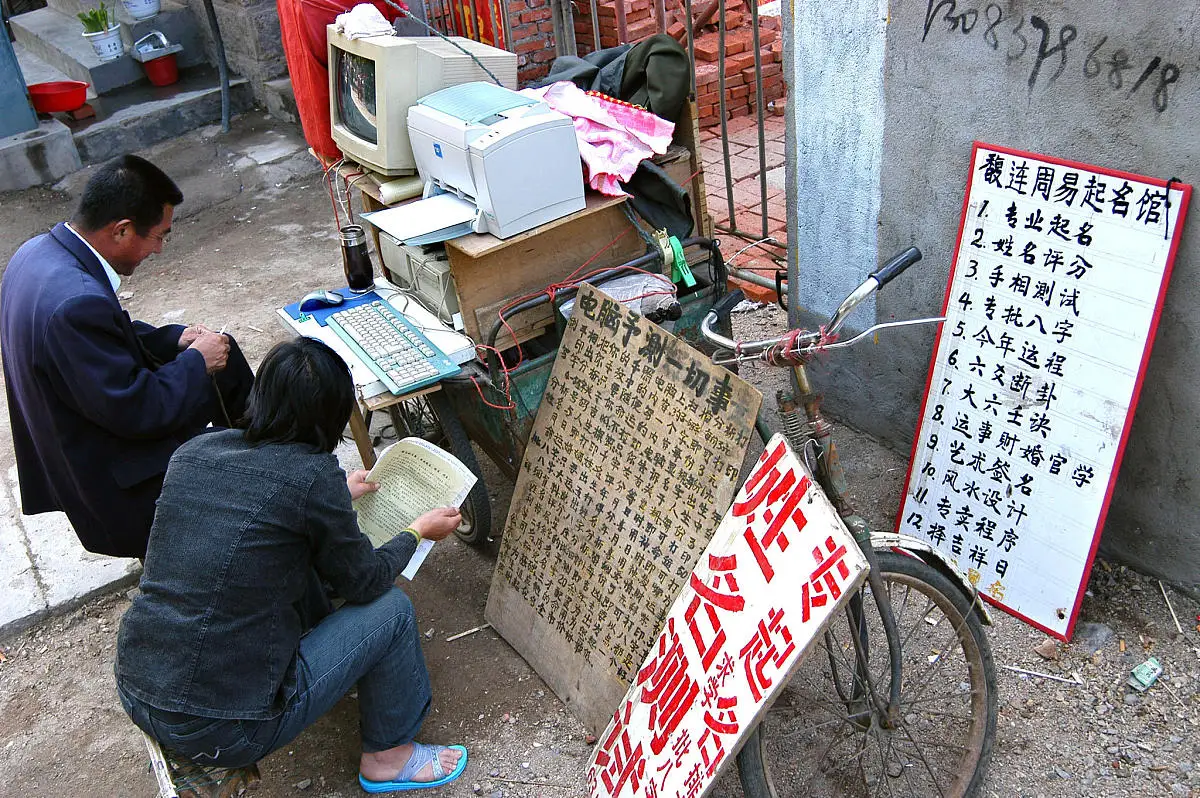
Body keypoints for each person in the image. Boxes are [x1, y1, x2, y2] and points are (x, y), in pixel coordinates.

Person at [115, 337, 468, 793]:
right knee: (392, 611)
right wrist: (416, 531)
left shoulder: (195, 452)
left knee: (286, 566)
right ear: (331, 416)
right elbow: (365, 582)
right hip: (226, 727)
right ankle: (388, 757)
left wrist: (337, 494)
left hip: (139, 683)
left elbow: (256, 513)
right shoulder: (311, 474)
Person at [0, 153, 255, 559]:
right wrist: (195, 362)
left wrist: (177, 340)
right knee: (212, 367)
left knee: (224, 353)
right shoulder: (74, 305)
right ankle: (268, 481)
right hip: (117, 486)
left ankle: (270, 454)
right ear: (121, 230)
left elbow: (106, 337)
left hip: (89, 432)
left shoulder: (37, 254)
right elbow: (140, 410)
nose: (158, 250)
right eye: (158, 236)